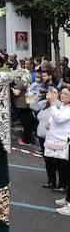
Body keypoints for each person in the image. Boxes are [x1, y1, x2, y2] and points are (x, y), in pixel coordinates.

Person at [46, 85, 70, 216]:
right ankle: (67, 199)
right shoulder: (64, 107)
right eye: (62, 93)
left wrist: (52, 102)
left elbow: (60, 118)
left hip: (66, 143)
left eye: (66, 94)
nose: (62, 95)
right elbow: (56, 118)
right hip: (62, 143)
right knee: (65, 173)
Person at [36, 88, 60, 189]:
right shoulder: (45, 104)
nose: (51, 94)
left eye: (54, 92)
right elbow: (32, 105)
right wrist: (37, 96)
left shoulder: (58, 104)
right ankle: (51, 181)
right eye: (50, 92)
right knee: (48, 161)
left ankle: (62, 184)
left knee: (56, 161)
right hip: (42, 137)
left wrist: (53, 99)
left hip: (52, 138)